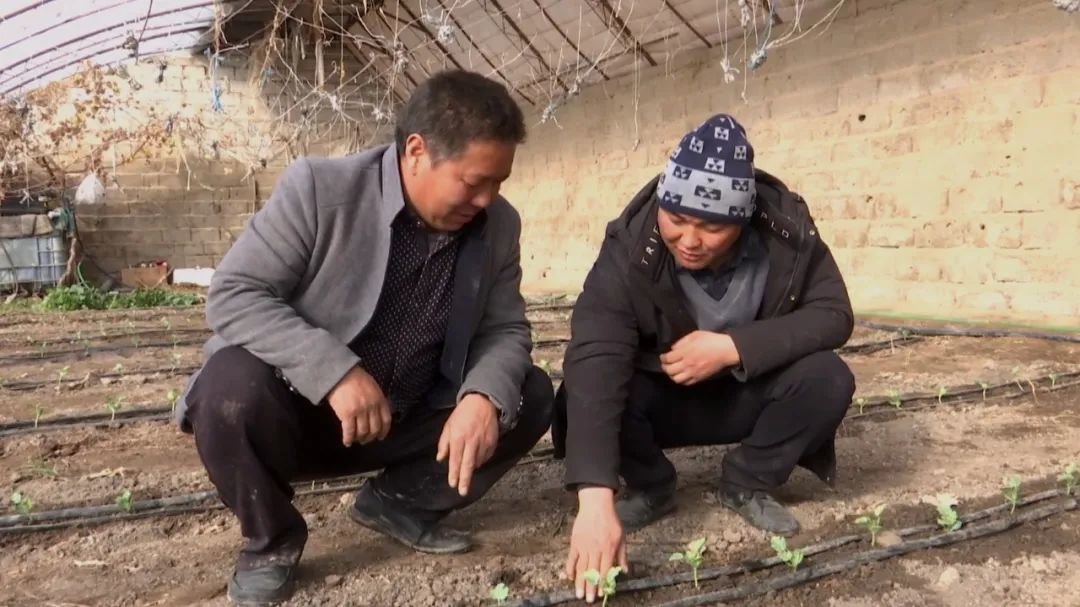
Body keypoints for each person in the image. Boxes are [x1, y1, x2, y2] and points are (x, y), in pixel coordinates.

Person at [173, 69, 554, 606]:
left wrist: (481, 396)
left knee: (527, 392)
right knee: (229, 388)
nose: (488, 199)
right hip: (305, 416)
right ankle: (272, 541)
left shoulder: (498, 226)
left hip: (416, 412)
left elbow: (505, 328)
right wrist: (334, 370)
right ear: (416, 151)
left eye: (499, 183)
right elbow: (235, 293)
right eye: (474, 182)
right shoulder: (320, 189)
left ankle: (401, 501)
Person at [553, 113, 856, 603]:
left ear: (742, 219)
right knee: (581, 392)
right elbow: (596, 351)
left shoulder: (787, 235)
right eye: (676, 220)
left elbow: (833, 314)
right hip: (664, 398)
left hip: (746, 394)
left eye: (712, 226)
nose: (689, 240)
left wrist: (733, 347)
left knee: (827, 377)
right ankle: (651, 486)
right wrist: (594, 498)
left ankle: (746, 482)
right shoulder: (630, 245)